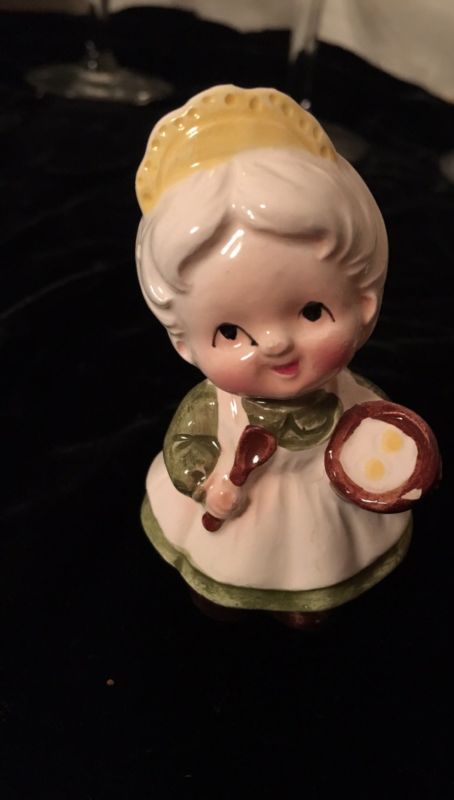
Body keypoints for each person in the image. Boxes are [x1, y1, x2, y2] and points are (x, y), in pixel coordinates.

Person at [135, 85, 414, 628]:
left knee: (316, 557)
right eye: (230, 331)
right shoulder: (216, 405)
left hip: (320, 503)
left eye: (311, 312)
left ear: (363, 303)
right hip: (239, 503)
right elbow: (188, 445)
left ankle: (309, 598)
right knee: (228, 561)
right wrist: (205, 483)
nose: (275, 344)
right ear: (184, 343)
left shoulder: (347, 394)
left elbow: (378, 427)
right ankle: (222, 590)